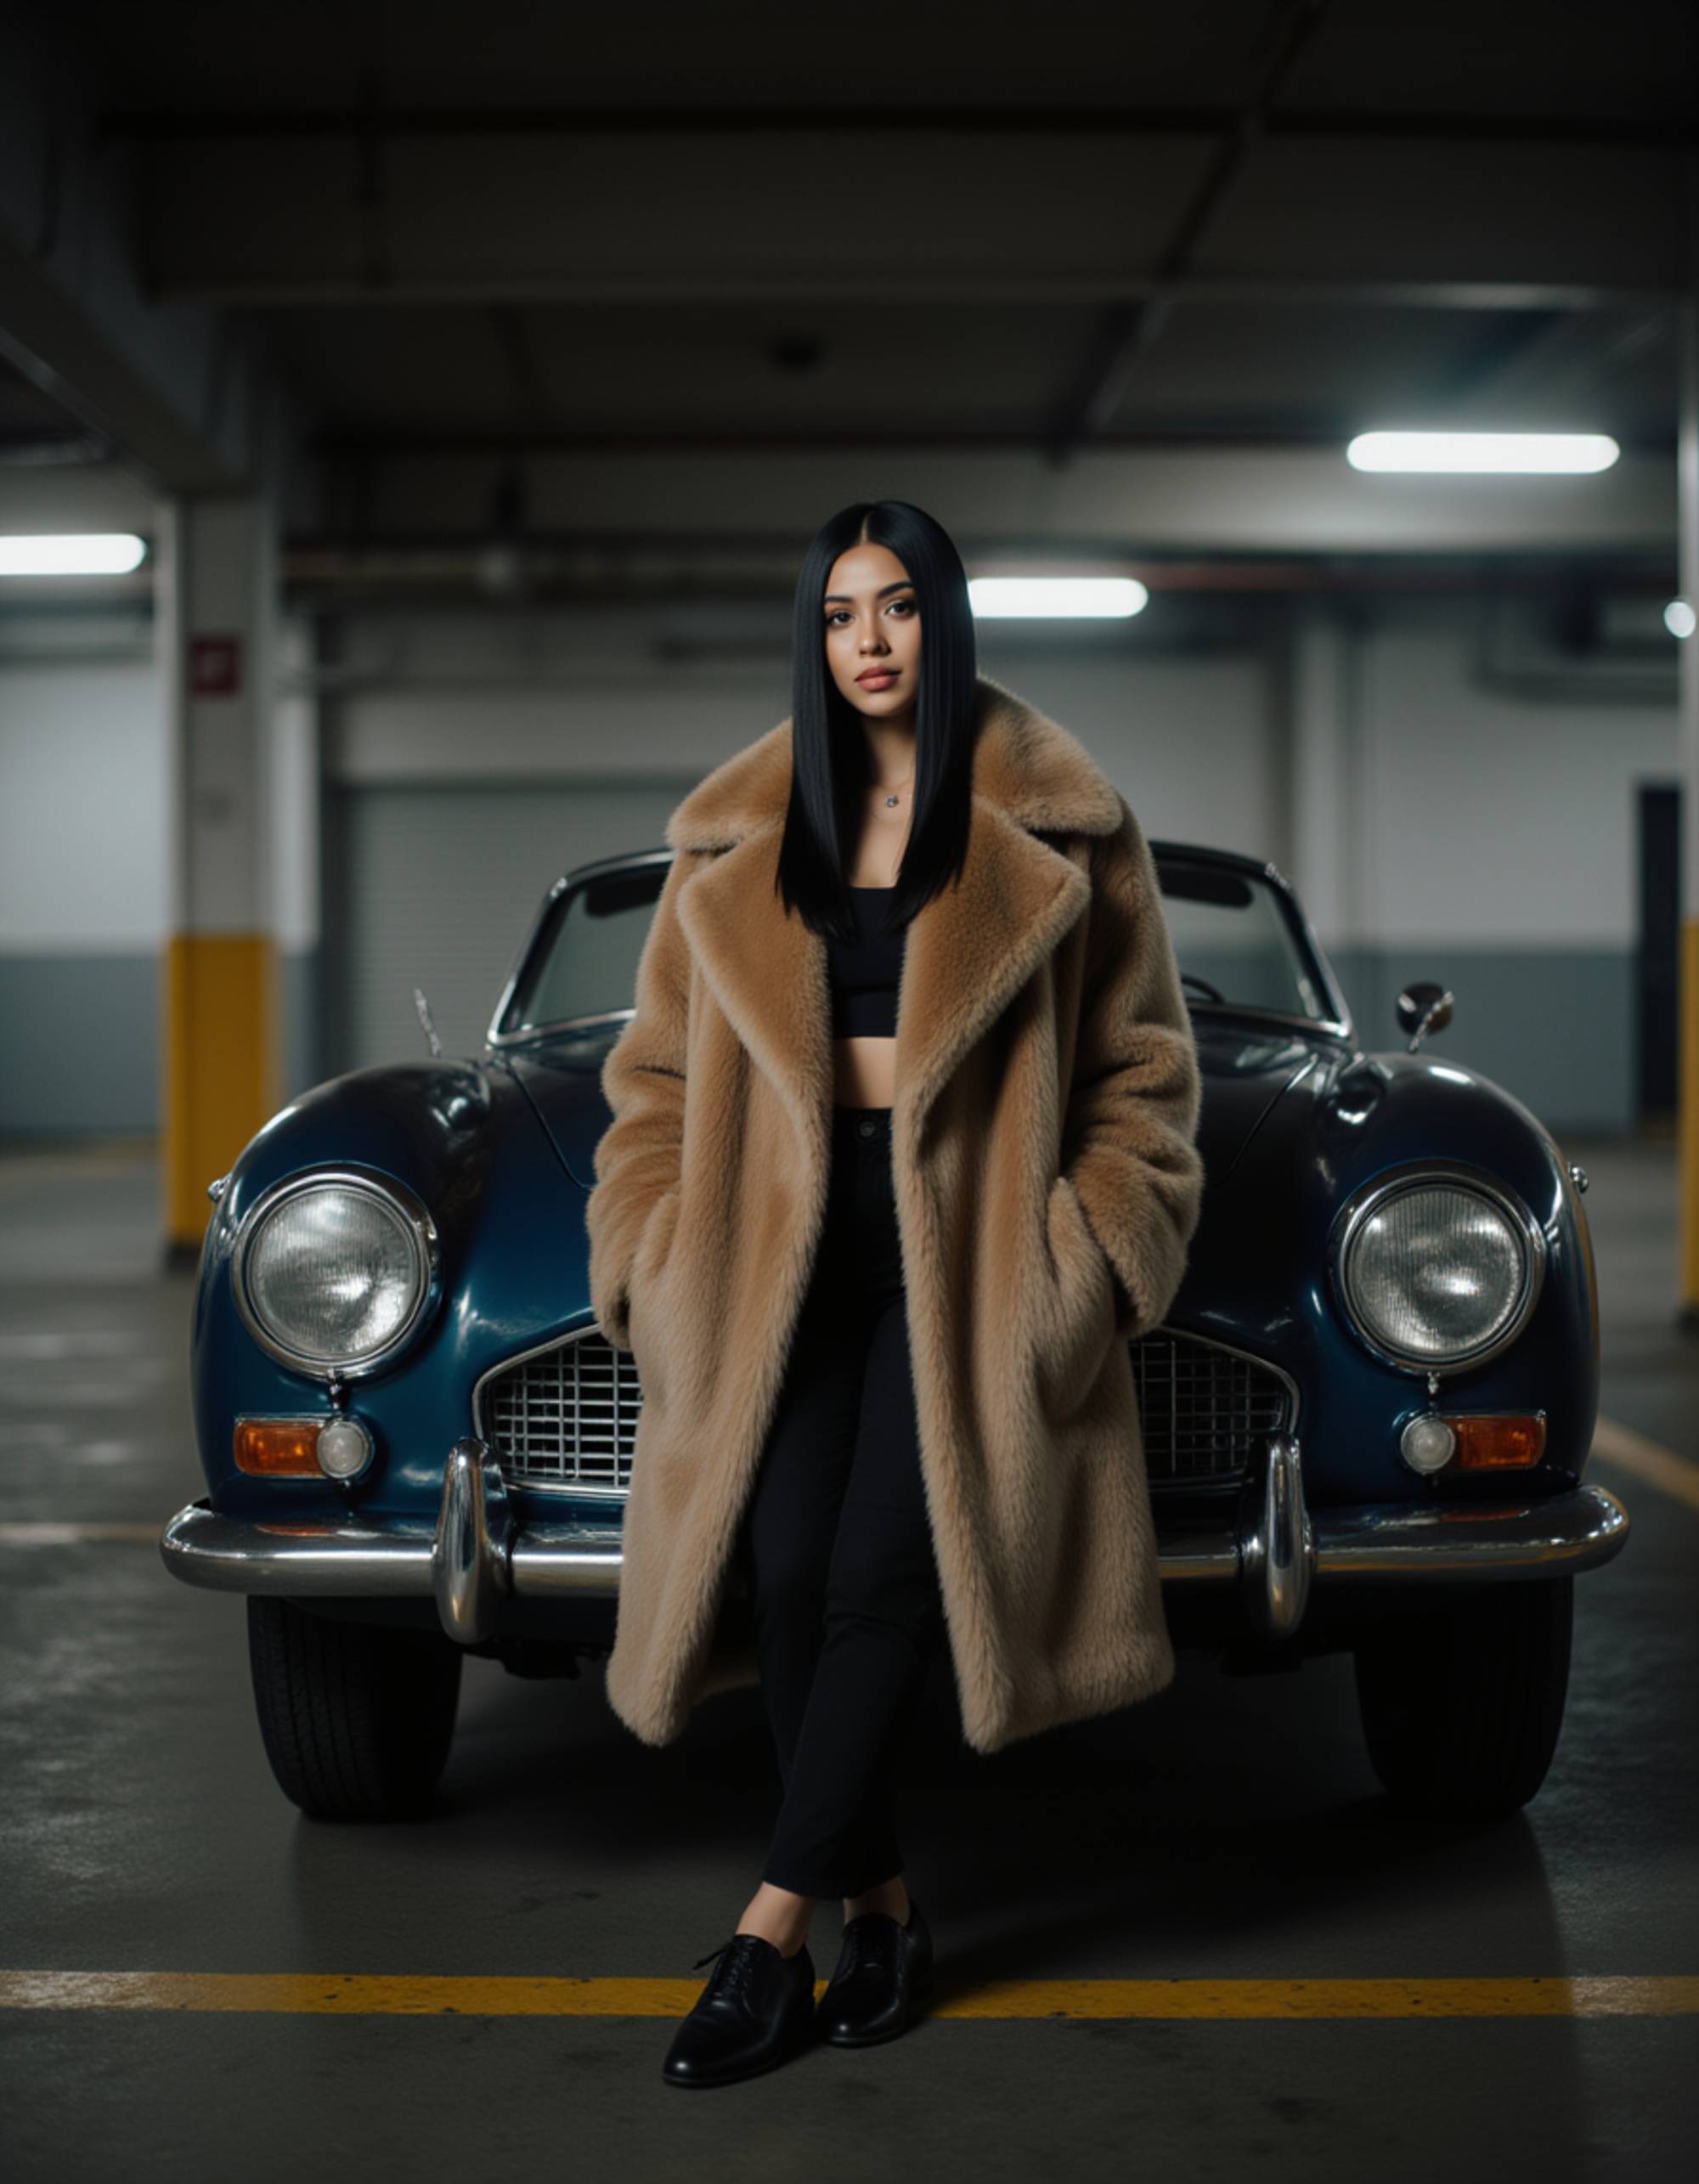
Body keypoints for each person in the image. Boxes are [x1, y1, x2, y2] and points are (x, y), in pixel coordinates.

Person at [585, 499, 1206, 2089]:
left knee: (874, 1581)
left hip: (976, 1265)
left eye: (902, 606)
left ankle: (766, 1936)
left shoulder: (1066, 828)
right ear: (816, 637)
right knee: (787, 1573)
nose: (871, 639)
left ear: (948, 621)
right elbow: (649, 1083)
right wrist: (650, 1258)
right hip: (770, 1266)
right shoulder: (736, 838)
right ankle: (894, 1915)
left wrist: (1089, 1265)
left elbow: (1143, 1081)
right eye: (843, 612)